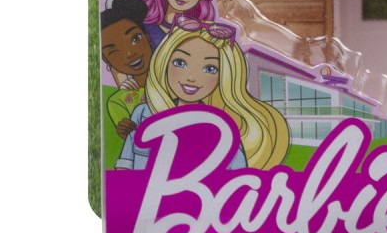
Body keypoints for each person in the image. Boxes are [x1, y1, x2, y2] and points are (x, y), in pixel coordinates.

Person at [115, 16, 290, 171]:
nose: (192, 77)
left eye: (210, 68)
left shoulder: (223, 130)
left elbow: (236, 179)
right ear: (164, 62)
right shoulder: (144, 114)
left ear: (224, 77)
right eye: (180, 63)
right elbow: (123, 172)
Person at [100, 0, 153, 140]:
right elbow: (129, 138)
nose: (129, 53)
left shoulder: (174, 82)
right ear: (106, 59)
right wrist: (124, 128)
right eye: (113, 50)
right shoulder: (118, 101)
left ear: (147, 37)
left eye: (135, 38)